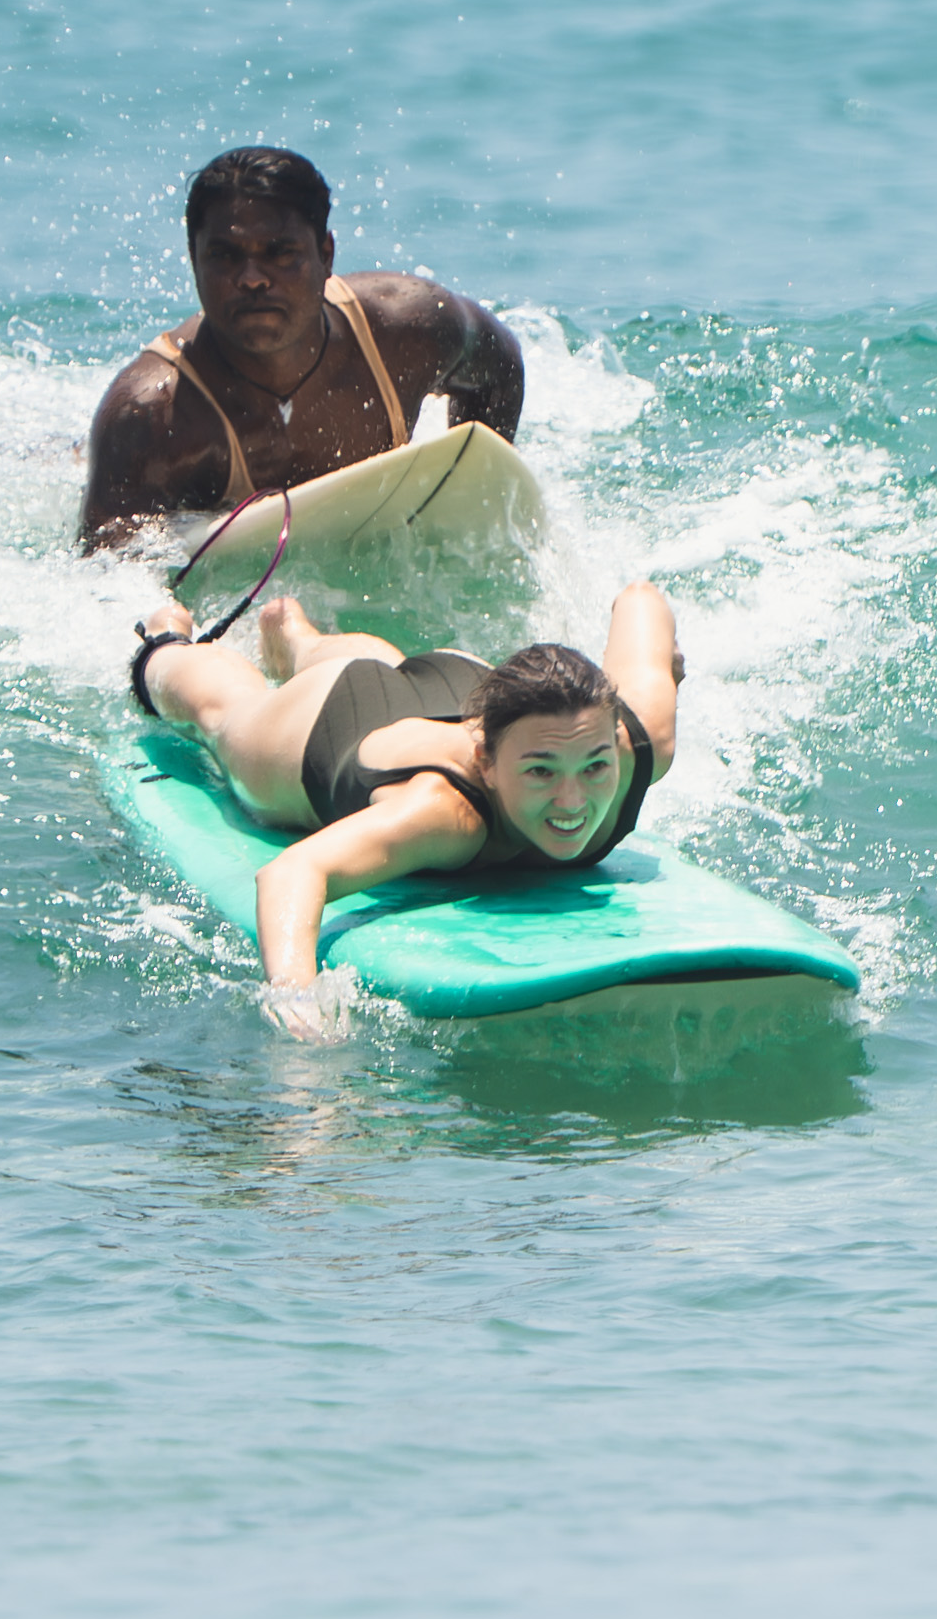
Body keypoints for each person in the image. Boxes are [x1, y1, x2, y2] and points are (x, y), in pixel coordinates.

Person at [129, 582, 683, 1016]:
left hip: (466, 681)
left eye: (595, 767)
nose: (572, 800)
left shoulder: (640, 741)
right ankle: (168, 638)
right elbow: (294, 872)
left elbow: (640, 599)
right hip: (338, 717)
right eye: (542, 773)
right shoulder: (444, 813)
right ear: (485, 762)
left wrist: (670, 666)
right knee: (224, 713)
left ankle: (298, 638)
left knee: (377, 661)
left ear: (616, 742)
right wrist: (298, 1004)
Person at [78, 147, 524, 550]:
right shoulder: (152, 419)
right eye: (226, 256)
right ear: (194, 260)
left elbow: (500, 364)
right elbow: (106, 587)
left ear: (326, 256)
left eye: (280, 252)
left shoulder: (406, 332)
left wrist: (468, 495)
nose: (252, 277)